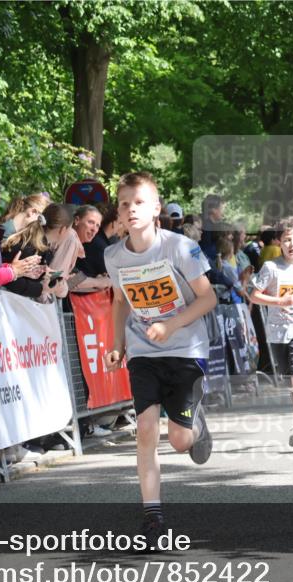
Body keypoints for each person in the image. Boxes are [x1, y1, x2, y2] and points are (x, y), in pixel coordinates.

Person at [103, 172, 217, 546]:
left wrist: (169, 325)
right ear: (118, 213)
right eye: (124, 204)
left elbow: (208, 298)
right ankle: (153, 519)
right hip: (143, 352)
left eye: (139, 202)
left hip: (185, 349)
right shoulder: (114, 255)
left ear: (156, 209)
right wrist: (117, 344)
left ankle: (195, 424)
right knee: (146, 430)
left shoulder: (181, 247)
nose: (131, 209)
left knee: (180, 441)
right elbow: (120, 301)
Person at [248, 217, 293, 450]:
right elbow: (252, 294)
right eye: (287, 239)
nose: (291, 244)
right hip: (278, 331)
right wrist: (281, 301)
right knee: (290, 378)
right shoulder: (271, 268)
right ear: (279, 242)